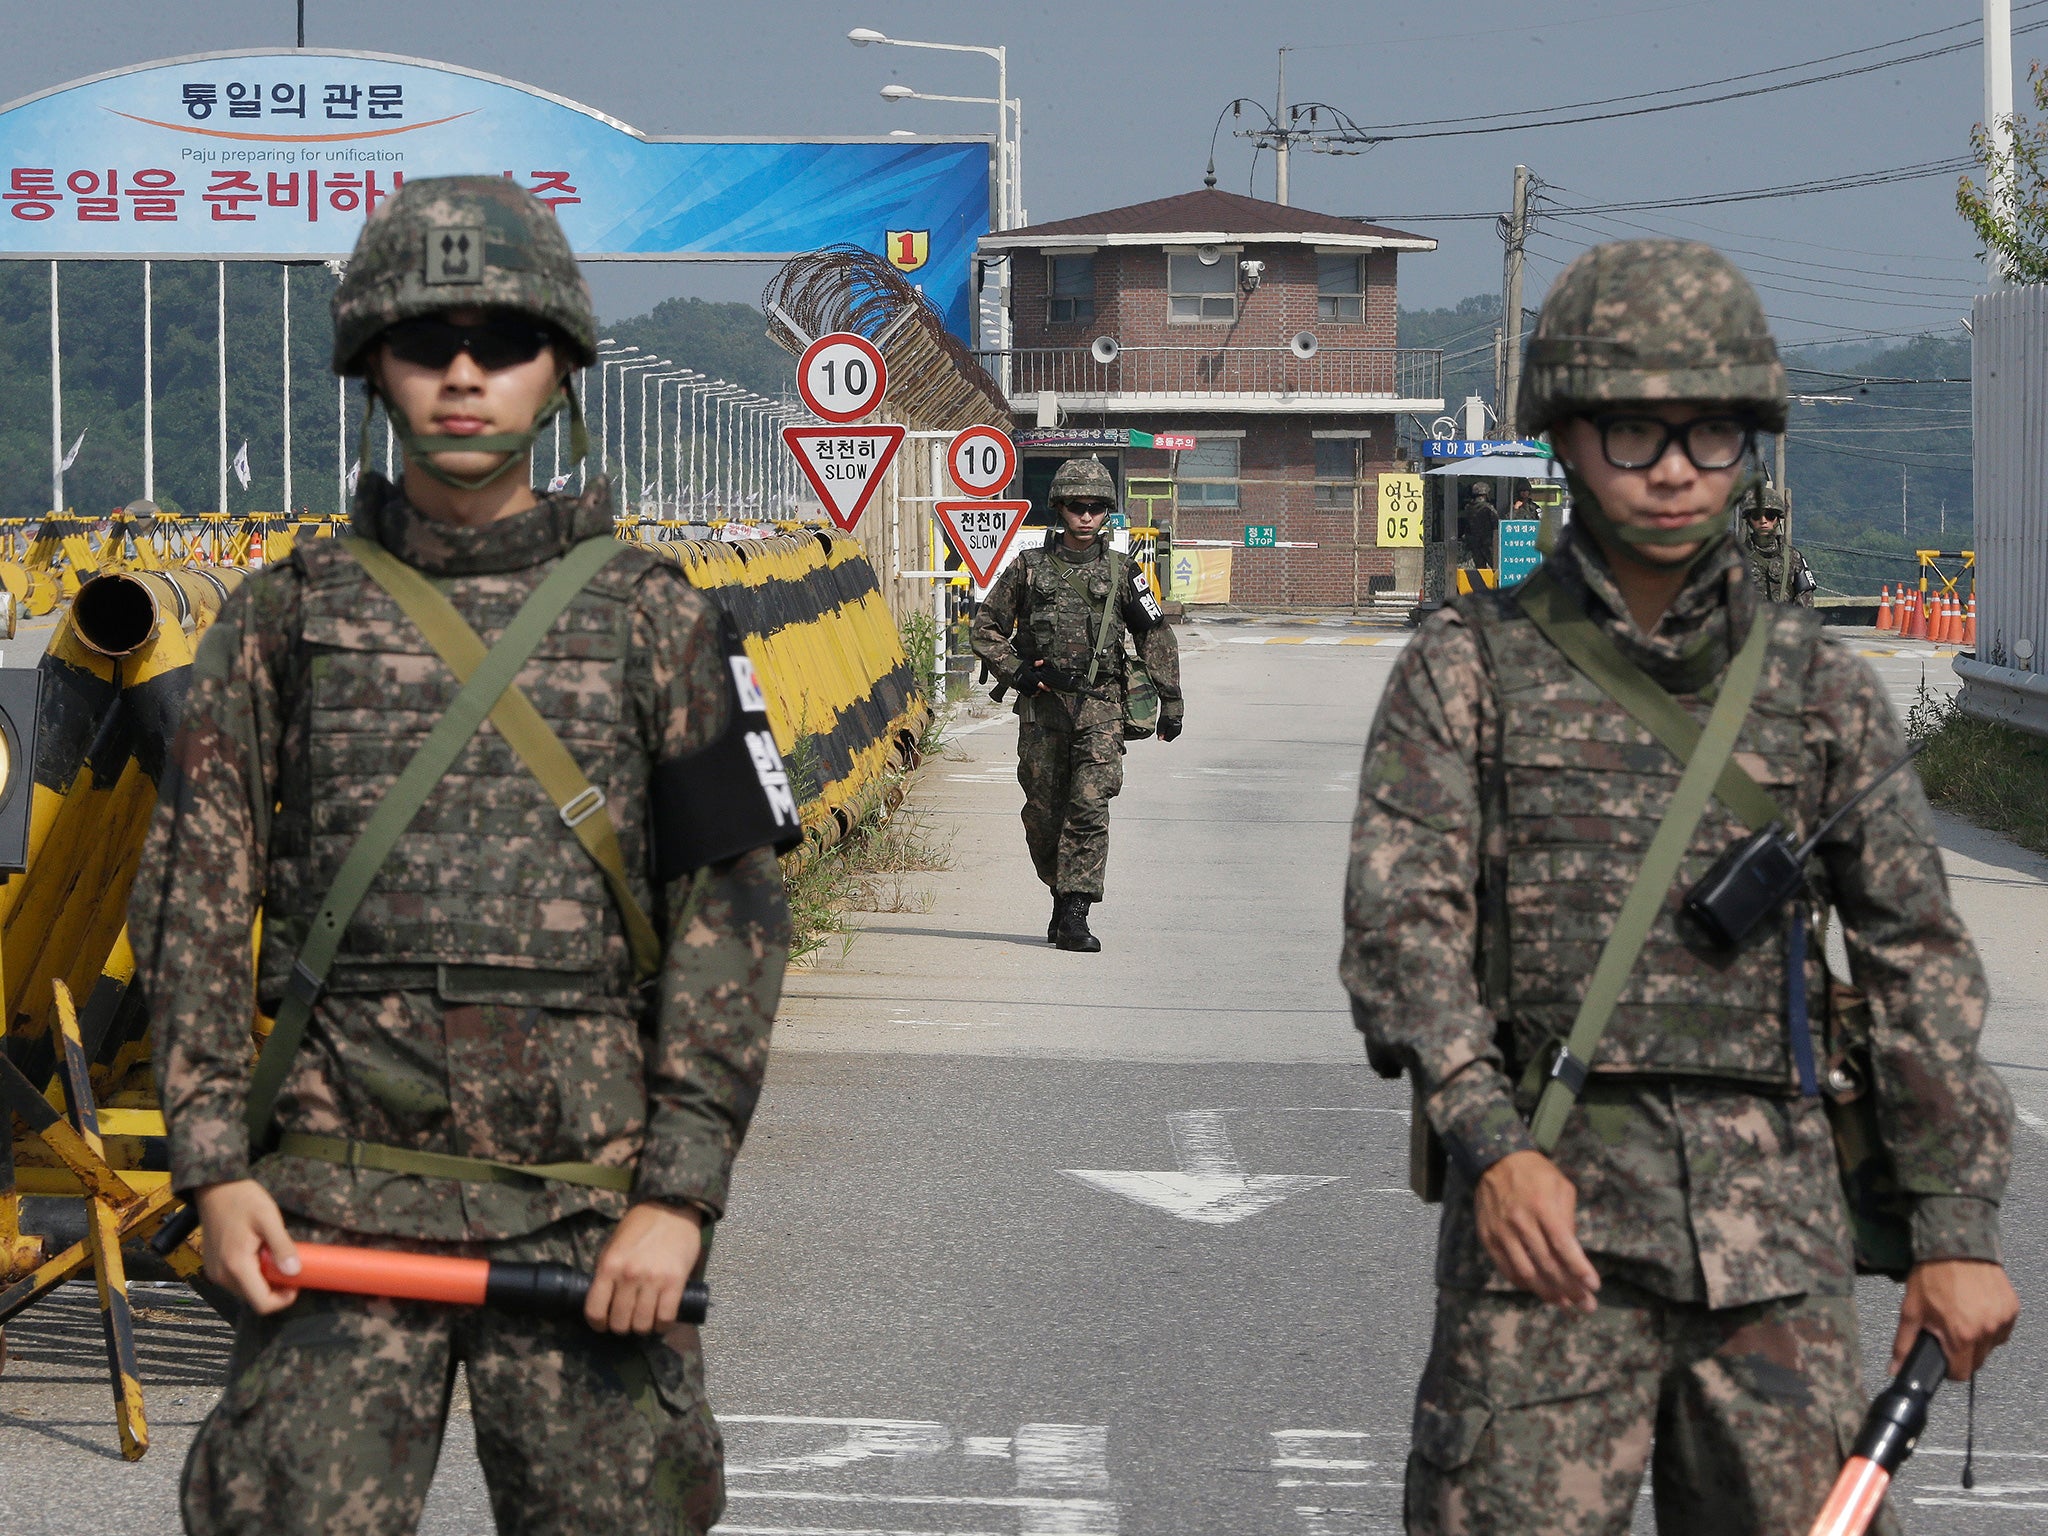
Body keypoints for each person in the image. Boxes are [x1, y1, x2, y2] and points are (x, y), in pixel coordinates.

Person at [130, 175, 802, 1536]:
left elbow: (732, 916)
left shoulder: (658, 624)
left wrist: (677, 1195)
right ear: (372, 364)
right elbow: (192, 907)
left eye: (502, 341)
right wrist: (214, 1166)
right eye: (425, 341)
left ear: (557, 369)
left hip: (591, 1217)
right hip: (332, 1205)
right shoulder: (280, 623)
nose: (462, 375)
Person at [1341, 239, 2017, 1534]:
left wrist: (1955, 1226)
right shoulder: (1465, 674)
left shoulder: (1819, 692)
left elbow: (1918, 962)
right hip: (1541, 1241)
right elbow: (1401, 938)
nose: (1668, 469)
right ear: (1569, 437)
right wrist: (1489, 1144)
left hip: (1774, 1255)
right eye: (1631, 431)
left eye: (1706, 434)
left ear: (1748, 445)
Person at [969, 456, 1182, 952]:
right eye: (1076, 507)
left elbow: (1154, 633)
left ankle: (1075, 914)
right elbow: (985, 627)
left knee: (1089, 807)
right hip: (1042, 711)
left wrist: (1171, 701)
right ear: (1059, 509)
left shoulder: (1123, 571)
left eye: (1096, 508)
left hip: (1101, 706)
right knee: (1044, 814)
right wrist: (1016, 670)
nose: (1086, 517)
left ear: (1107, 512)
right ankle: (1060, 894)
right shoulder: (1029, 568)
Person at [1742, 483, 1816, 606]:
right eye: (1756, 515)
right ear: (1749, 519)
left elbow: (1805, 602)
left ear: (1778, 519)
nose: (1763, 520)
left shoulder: (1793, 557)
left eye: (1770, 516)